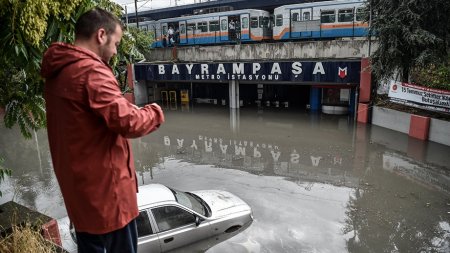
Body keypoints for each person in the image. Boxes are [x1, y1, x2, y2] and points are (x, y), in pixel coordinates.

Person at [40, 7, 165, 253]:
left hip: (82, 197)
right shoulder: (92, 71)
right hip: (110, 200)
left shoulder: (58, 72)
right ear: (101, 35)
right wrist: (155, 111)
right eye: (116, 43)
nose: (116, 51)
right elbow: (129, 122)